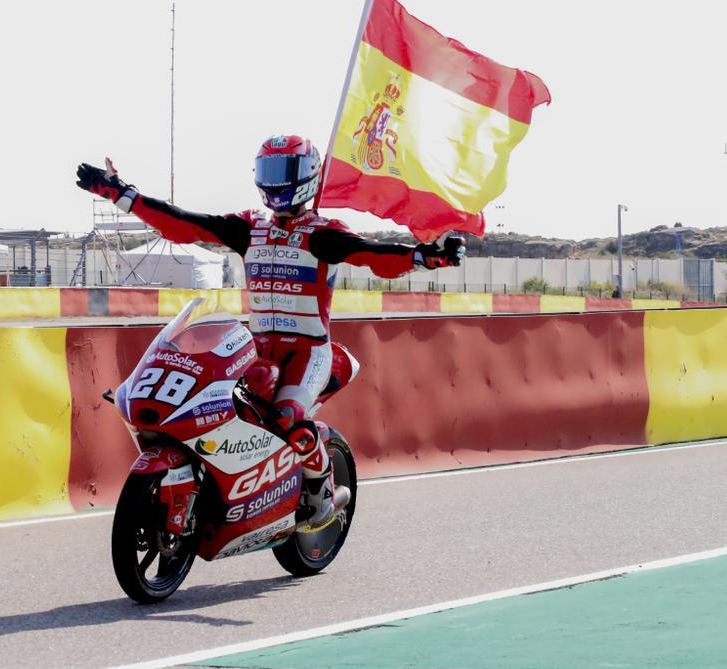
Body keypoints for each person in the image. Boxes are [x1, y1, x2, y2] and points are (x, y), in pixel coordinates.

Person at [77, 134, 464, 531]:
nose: (275, 181)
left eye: (284, 172)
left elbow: (372, 254)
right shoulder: (248, 227)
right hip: (257, 351)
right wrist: (120, 194)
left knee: (288, 418)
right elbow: (182, 223)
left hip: (308, 354)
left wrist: (424, 257)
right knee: (209, 404)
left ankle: (321, 489)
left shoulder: (323, 232)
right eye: (268, 172)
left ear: (309, 175)